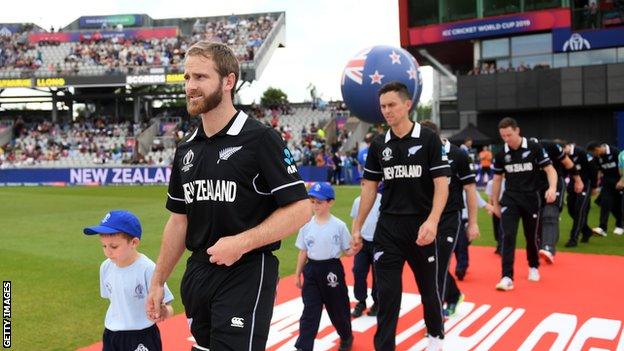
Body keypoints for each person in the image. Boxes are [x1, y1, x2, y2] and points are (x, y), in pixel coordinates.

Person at [146, 41, 311, 351]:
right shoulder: (186, 149)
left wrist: (241, 243)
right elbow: (179, 221)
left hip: (246, 271)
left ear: (228, 81)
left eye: (200, 77)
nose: (191, 86)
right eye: (187, 78)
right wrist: (157, 281)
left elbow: (301, 209)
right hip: (198, 273)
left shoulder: (260, 139)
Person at [352, 81, 451, 351]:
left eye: (392, 105)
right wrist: (357, 226)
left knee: (428, 291)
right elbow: (369, 188)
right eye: (383, 106)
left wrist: (432, 220)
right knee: (387, 295)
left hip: (421, 228)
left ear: (408, 105)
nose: (386, 111)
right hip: (388, 230)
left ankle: (435, 337)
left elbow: (442, 184)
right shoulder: (379, 144)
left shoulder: (429, 139)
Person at [83, 210, 174, 351]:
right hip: (112, 334)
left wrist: (163, 312)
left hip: (142, 335)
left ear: (134, 242)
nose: (108, 252)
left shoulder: (148, 268)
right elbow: (113, 300)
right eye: (104, 246)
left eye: (114, 246)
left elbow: (168, 306)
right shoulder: (105, 267)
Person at [420, 120, 480, 318]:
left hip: (450, 218)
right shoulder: (422, 153)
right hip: (427, 218)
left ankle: (434, 318)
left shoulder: (457, 154)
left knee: (438, 265)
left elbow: (470, 189)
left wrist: (473, 223)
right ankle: (453, 295)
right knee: (429, 266)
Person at [490, 117, 557, 291]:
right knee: (508, 236)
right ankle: (506, 276)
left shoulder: (534, 148)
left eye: (509, 135)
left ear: (517, 131)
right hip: (510, 199)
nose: (506, 139)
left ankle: (533, 265)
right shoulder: (501, 153)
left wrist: (552, 188)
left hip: (531, 199)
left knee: (531, 237)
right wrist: (495, 203)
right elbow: (497, 180)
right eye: (503, 136)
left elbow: (550, 170)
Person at [294, 182, 356, 351]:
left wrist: (355, 248)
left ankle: (346, 336)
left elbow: (348, 250)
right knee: (310, 311)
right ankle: (304, 346)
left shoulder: (339, 226)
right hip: (312, 270)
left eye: (319, 202)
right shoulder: (306, 225)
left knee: (338, 309)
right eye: (312, 201)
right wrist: (297, 274)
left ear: (330, 202)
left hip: (331, 269)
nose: (315, 206)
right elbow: (303, 251)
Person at [532, 139, 584, 264]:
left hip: (555, 182)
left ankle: (548, 247)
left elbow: (568, 163)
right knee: (536, 217)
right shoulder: (519, 151)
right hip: (535, 185)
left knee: (550, 214)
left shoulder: (550, 146)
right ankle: (542, 246)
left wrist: (578, 180)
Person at [350, 181, 382, 318]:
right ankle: (361, 301)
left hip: (378, 243)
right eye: (362, 184)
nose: (364, 187)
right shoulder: (358, 201)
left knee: (378, 275)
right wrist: (354, 237)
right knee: (358, 271)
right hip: (362, 243)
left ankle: (377, 302)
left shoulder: (382, 200)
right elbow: (355, 220)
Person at [564, 142, 598, 247]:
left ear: (566, 147)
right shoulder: (564, 156)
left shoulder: (582, 153)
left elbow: (593, 169)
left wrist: (594, 186)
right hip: (572, 184)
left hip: (585, 184)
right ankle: (587, 231)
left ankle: (573, 238)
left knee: (580, 210)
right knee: (571, 209)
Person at [586, 142, 623, 237]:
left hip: (619, 183)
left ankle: (620, 225)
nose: (595, 154)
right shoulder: (597, 157)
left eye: (595, 152)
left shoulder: (616, 152)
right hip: (607, 183)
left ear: (598, 148)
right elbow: (598, 170)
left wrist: (622, 181)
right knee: (605, 204)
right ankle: (602, 228)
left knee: (618, 205)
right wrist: (596, 183)